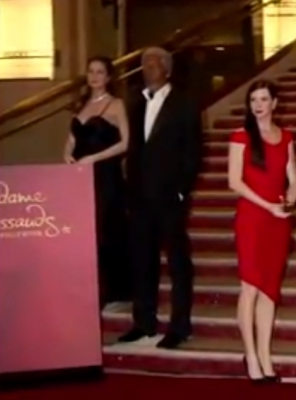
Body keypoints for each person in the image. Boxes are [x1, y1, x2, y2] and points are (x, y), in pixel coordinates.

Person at [117, 47, 202, 349]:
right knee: (142, 260)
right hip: (140, 197)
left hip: (170, 197)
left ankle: (180, 326)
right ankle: (143, 322)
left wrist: (181, 190)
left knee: (178, 262)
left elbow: (193, 151)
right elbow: (132, 149)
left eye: (153, 64)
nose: (148, 69)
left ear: (167, 69)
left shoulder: (185, 103)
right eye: (144, 65)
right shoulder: (135, 103)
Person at [228, 80, 296, 382]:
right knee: (251, 287)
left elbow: (293, 178)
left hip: (277, 220)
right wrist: (267, 205)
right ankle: (251, 357)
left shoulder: (286, 137)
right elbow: (234, 181)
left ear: (274, 103)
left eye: (263, 99)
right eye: (253, 100)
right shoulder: (241, 136)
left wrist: (288, 200)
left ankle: (266, 357)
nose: (258, 105)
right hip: (252, 218)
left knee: (270, 289)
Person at [63, 56, 131, 306]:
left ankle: (113, 290)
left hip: (105, 175)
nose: (94, 76)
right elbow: (71, 140)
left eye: (100, 72)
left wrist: (94, 158)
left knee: (105, 230)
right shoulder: (81, 105)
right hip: (80, 177)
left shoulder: (116, 104)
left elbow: (125, 143)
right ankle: (89, 287)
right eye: (91, 71)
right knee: (84, 230)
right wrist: (66, 155)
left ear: (109, 77)